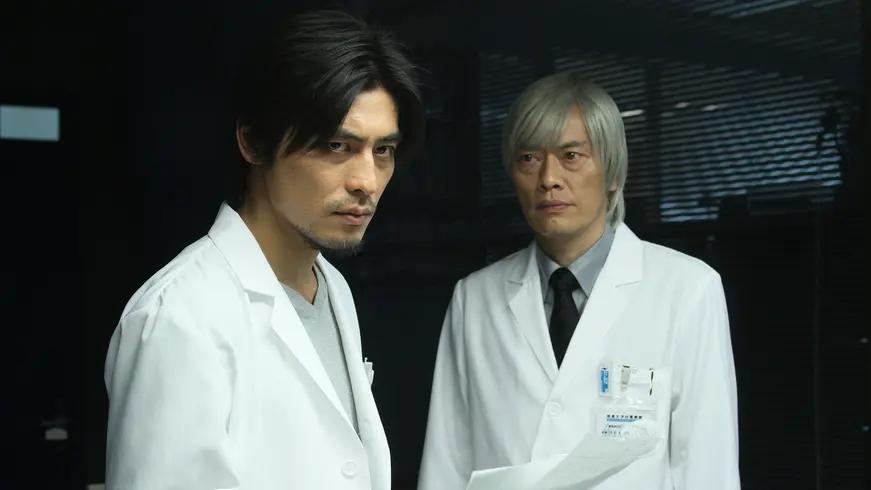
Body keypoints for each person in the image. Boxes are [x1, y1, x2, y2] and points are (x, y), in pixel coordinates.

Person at [104, 10, 423, 490]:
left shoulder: (332, 287)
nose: (367, 181)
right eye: (336, 146)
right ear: (253, 142)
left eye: (383, 151)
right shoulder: (180, 318)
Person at [419, 71, 739, 489]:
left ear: (613, 174)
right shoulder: (474, 299)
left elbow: (708, 465)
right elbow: (446, 464)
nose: (548, 178)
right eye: (529, 158)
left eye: (571, 156)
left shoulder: (687, 289)